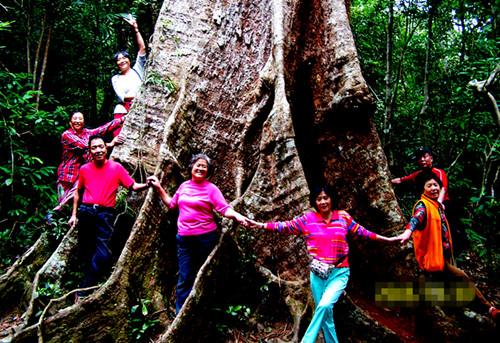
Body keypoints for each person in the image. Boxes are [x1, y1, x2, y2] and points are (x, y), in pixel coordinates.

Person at [247, 185, 401, 343]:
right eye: (319, 199)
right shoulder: (308, 219)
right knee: (327, 318)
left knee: (325, 305)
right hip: (318, 275)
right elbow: (285, 226)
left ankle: (306, 341)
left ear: (331, 199)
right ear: (314, 202)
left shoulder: (343, 217)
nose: (322, 202)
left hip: (339, 272)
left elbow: (362, 232)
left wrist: (388, 240)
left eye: (325, 198)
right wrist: (260, 225)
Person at [148, 153, 250, 313]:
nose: (201, 168)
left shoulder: (211, 189)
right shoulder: (183, 186)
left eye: (204, 166)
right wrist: (159, 187)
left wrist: (237, 216)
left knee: (205, 273)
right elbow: (172, 204)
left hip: (206, 239)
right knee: (185, 275)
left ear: (208, 171)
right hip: (184, 239)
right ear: (191, 168)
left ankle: (206, 309)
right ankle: (181, 313)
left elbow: (224, 209)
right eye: (198, 165)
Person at [397, 170, 498, 318]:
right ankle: (489, 309)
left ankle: (483, 310)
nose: (433, 188)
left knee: (454, 284)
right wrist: (408, 231)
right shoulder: (423, 205)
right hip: (430, 258)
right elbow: (416, 218)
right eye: (429, 185)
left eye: (436, 185)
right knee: (459, 278)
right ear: (422, 189)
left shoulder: (437, 206)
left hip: (441, 256)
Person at [68, 134, 152, 302]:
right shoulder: (84, 169)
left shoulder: (116, 168)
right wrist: (74, 214)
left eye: (101, 147)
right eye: (94, 148)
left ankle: (84, 289)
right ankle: (81, 284)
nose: (98, 150)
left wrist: (148, 184)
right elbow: (78, 191)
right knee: (85, 248)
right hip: (86, 212)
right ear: (90, 151)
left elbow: (133, 185)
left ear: (106, 148)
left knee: (103, 253)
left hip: (105, 214)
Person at [47, 111, 125, 225]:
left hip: (82, 173)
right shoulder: (67, 135)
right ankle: (58, 223)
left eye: (80, 119)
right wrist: (108, 144)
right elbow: (85, 145)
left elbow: (104, 128)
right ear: (70, 122)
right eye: (75, 119)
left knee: (75, 193)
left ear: (83, 122)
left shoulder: (88, 133)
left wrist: (123, 119)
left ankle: (54, 212)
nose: (77, 121)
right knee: (64, 203)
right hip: (67, 174)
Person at [111, 14, 147, 137]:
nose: (122, 61)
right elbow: (123, 96)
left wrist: (135, 29)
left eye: (124, 58)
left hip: (143, 107)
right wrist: (139, 95)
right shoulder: (115, 79)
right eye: (119, 59)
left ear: (129, 60)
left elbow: (142, 49)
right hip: (125, 110)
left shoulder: (138, 69)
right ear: (116, 64)